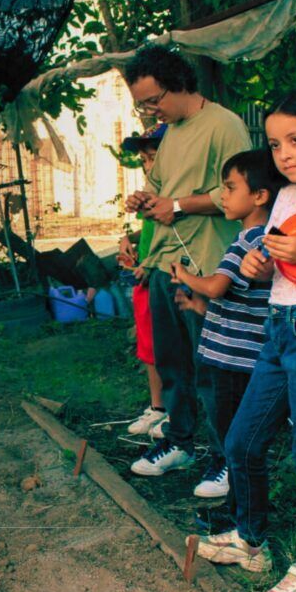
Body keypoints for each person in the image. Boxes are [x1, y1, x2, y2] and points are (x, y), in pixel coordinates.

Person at [196, 86, 296, 592]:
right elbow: (271, 255)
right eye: (276, 144)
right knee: (241, 441)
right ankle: (250, 542)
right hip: (279, 328)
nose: (284, 154)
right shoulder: (283, 196)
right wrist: (262, 264)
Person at [123, 45, 252, 478]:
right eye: (143, 103)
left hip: (205, 270)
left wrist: (177, 206)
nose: (150, 110)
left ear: (178, 84)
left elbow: (239, 194)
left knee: (211, 372)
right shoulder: (171, 132)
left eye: (154, 100)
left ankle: (226, 460)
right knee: (173, 364)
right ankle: (180, 444)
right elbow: (161, 185)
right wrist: (146, 199)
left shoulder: (225, 126)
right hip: (164, 266)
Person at [169, 149, 284, 504]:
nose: (222, 195)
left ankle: (232, 488)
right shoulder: (255, 239)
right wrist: (198, 305)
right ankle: (233, 486)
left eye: (230, 187)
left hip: (232, 362)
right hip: (232, 355)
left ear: (260, 196)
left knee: (228, 428)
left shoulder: (251, 240)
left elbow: (218, 285)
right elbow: (234, 303)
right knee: (228, 424)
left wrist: (185, 275)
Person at [118, 123, 169, 437]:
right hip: (144, 278)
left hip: (161, 275)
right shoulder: (150, 196)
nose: (148, 166)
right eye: (144, 160)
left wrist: (150, 265)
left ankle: (175, 411)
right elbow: (150, 231)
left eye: (154, 158)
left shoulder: (175, 197)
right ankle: (158, 406)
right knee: (148, 346)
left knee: (170, 348)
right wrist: (129, 239)